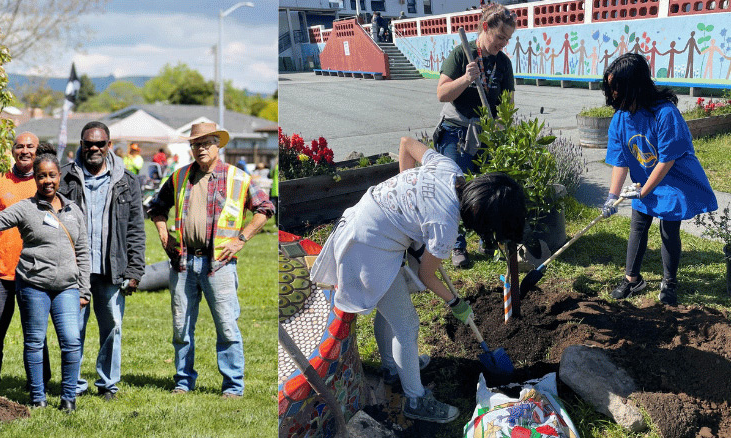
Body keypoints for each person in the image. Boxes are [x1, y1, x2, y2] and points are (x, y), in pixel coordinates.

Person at [310, 137, 527, 423]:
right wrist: (455, 301)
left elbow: (407, 144)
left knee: (391, 309)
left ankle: (391, 367)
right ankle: (415, 399)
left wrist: (407, 205)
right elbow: (426, 275)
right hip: (366, 249)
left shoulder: (449, 169)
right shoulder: (445, 224)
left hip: (366, 224)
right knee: (407, 323)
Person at [0, 155, 89, 412]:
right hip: (34, 285)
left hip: (67, 287)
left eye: (52, 175)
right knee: (34, 341)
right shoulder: (26, 208)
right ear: (35, 178)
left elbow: (84, 252)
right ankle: (38, 397)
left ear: (59, 177)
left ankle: (68, 399)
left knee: (71, 341)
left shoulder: (73, 210)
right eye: (41, 176)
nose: (47, 181)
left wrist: (84, 290)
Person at [149, 122, 274, 398]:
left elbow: (265, 208)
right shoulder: (179, 177)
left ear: (219, 145)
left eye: (206, 143)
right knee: (181, 327)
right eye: (196, 144)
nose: (201, 148)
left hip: (219, 264)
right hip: (183, 262)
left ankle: (232, 386)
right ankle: (183, 382)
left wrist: (240, 239)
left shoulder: (238, 178)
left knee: (227, 326)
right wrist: (163, 234)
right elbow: (157, 208)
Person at [600, 53, 720, 305]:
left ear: (634, 87)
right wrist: (613, 195)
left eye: (616, 89)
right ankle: (633, 279)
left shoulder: (665, 114)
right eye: (610, 89)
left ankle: (669, 282)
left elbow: (667, 160)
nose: (612, 96)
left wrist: (644, 191)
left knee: (668, 229)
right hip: (644, 179)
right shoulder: (621, 118)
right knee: (638, 225)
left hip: (672, 179)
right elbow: (620, 160)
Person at [59, 121, 145, 401]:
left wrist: (135, 270)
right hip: (74, 271)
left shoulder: (127, 181)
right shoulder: (64, 179)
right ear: (80, 146)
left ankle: (108, 384)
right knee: (74, 330)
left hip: (112, 269)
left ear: (109, 145)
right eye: (88, 143)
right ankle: (73, 384)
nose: (93, 148)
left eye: (99, 143)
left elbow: (135, 228)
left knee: (112, 328)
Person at [434, 2, 516, 267]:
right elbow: (442, 94)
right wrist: (466, 79)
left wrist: (502, 132)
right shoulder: (462, 54)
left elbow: (508, 104)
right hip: (456, 131)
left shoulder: (503, 64)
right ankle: (458, 246)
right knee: (457, 188)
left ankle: (486, 238)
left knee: (486, 189)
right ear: (485, 28)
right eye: (500, 36)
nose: (503, 43)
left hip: (487, 134)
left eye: (508, 39)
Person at [0, 132, 44, 392]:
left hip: (35, 271)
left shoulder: (43, 181)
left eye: (30, 146)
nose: (24, 151)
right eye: (19, 146)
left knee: (35, 333)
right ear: (12, 150)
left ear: (38, 150)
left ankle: (39, 380)